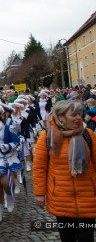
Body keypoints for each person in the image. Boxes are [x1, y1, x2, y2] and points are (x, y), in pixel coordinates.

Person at [33, 100, 96, 242]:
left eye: (80, 114)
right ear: (61, 117)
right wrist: (39, 193)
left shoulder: (88, 134)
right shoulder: (47, 137)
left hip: (87, 196)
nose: (79, 118)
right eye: (74, 115)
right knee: (67, 238)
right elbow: (39, 167)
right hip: (61, 197)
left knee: (86, 238)